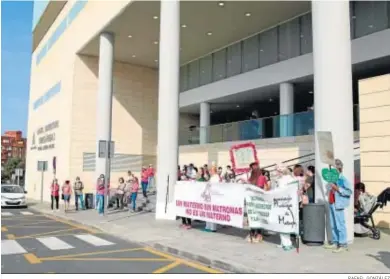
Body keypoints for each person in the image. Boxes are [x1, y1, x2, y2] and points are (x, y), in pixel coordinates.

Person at [324, 159, 352, 253]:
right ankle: (336, 243)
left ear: (338, 168)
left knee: (340, 224)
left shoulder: (342, 179)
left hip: (338, 204)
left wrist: (337, 188)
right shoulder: (332, 179)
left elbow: (349, 192)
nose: (332, 170)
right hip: (332, 203)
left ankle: (343, 244)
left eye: (334, 168)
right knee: (333, 224)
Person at [275, 165, 297, 251]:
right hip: (290, 204)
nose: (276, 173)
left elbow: (279, 192)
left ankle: (286, 244)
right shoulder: (292, 179)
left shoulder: (282, 180)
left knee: (282, 223)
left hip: (282, 204)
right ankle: (285, 242)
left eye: (277, 171)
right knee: (287, 223)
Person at [203, 166, 219, 233]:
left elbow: (214, 186)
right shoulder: (212, 177)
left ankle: (213, 228)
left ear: (213, 171)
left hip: (213, 196)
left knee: (212, 212)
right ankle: (208, 226)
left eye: (211, 171)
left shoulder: (216, 177)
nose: (210, 172)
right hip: (209, 196)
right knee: (208, 211)